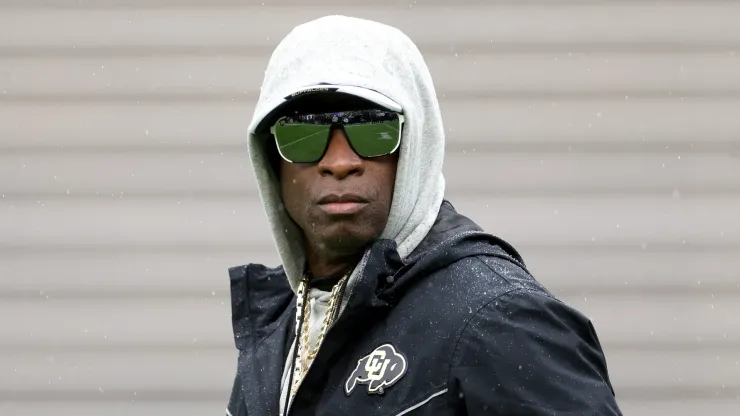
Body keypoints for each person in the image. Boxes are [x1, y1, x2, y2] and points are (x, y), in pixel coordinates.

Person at [226, 15, 623, 416]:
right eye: (303, 135)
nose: (340, 161)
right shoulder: (282, 328)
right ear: (269, 159)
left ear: (416, 145)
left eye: (373, 130)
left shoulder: (495, 318)